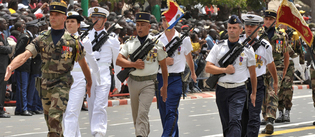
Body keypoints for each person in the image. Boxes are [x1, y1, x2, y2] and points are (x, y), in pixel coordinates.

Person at [4, 1, 92, 136]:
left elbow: (83, 64)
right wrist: (11, 66)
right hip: (45, 84)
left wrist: (89, 83)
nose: (53, 17)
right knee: (51, 123)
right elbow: (25, 54)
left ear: (64, 18)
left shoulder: (73, 41)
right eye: (51, 14)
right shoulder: (42, 38)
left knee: (54, 117)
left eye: (57, 15)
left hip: (62, 83)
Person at [116, 12, 168, 137]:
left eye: (142, 25)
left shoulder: (157, 44)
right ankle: (143, 133)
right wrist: (133, 64)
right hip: (133, 82)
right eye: (137, 25)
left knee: (142, 113)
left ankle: (141, 135)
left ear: (149, 27)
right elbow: (118, 60)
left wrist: (165, 86)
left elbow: (164, 66)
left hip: (149, 83)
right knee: (136, 115)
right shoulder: (130, 43)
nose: (139, 27)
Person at [204, 15, 257, 137]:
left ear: (240, 30)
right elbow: (208, 67)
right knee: (226, 123)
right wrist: (224, 70)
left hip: (238, 90)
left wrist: (253, 92)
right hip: (222, 89)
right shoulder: (219, 46)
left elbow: (253, 73)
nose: (231, 30)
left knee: (235, 120)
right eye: (229, 27)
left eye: (234, 27)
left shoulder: (248, 49)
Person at [156, 14, 196, 137]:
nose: (165, 23)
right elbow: (151, 60)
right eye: (163, 20)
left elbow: (189, 57)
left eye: (168, 20)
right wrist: (162, 61)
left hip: (175, 78)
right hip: (161, 78)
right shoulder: (156, 39)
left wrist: (193, 73)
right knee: (164, 112)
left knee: (171, 111)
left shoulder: (184, 39)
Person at [240, 14, 278, 137]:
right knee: (241, 116)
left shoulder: (265, 45)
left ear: (258, 27)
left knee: (254, 115)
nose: (249, 28)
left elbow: (271, 64)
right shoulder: (238, 42)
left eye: (252, 26)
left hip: (258, 82)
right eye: (247, 25)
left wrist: (276, 81)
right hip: (240, 83)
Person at [63, 11, 100, 137]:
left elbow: (92, 61)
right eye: (67, 21)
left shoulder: (85, 41)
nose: (69, 24)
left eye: (72, 21)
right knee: (65, 112)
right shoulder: (60, 40)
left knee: (72, 112)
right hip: (62, 79)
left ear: (78, 24)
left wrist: (97, 79)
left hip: (78, 78)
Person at [86, 7, 121, 137]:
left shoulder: (112, 40)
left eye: (99, 18)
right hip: (89, 73)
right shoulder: (85, 37)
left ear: (105, 20)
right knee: (91, 105)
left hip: (104, 73)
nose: (95, 20)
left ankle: (98, 133)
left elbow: (117, 62)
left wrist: (118, 83)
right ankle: (94, 132)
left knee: (100, 105)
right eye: (94, 18)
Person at [259, 10, 290, 134]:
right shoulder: (258, 35)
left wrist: (284, 72)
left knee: (272, 92)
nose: (268, 21)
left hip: (277, 68)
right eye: (266, 19)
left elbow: (286, 55)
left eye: (270, 19)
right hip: (261, 67)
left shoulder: (282, 36)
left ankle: (270, 120)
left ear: (275, 21)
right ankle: (266, 117)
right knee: (263, 95)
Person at [275, 27, 304, 123]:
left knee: (287, 89)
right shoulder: (277, 40)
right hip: (279, 66)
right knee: (278, 89)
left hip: (290, 67)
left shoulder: (294, 39)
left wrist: (300, 65)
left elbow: (298, 53)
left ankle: (287, 111)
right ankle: (280, 112)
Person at [13, 19, 33, 116]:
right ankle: (22, 109)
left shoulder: (27, 37)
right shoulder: (25, 37)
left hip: (25, 66)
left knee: (23, 87)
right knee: (22, 88)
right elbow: (18, 51)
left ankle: (19, 108)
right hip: (22, 65)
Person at [0, 17, 12, 118]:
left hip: (3, 66)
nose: (6, 24)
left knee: (2, 89)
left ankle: (1, 109)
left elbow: (8, 48)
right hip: (0, 67)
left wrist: (4, 47)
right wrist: (5, 47)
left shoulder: (3, 35)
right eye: (4, 23)